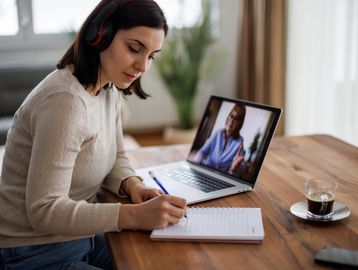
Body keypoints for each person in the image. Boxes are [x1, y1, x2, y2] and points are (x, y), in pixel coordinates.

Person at [0, 1, 187, 269]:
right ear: (100, 35)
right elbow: (44, 210)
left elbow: (117, 155)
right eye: (135, 48)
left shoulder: (108, 87)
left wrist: (133, 185)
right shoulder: (65, 102)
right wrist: (132, 216)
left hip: (80, 237)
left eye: (151, 55)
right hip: (34, 251)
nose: (143, 66)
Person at [194, 104, 247, 175]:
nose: (231, 121)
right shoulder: (217, 133)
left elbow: (241, 167)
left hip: (222, 177)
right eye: (231, 116)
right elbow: (202, 152)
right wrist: (193, 167)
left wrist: (234, 169)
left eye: (236, 119)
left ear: (239, 124)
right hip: (205, 171)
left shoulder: (239, 142)